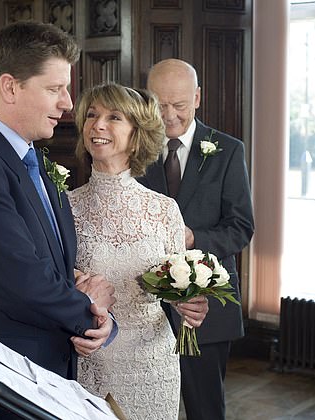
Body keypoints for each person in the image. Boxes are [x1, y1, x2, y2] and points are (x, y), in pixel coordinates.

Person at [0, 21, 116, 420]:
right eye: (54, 89)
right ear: (9, 86)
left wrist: (80, 289)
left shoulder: (29, 159)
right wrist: (93, 315)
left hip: (41, 377)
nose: (67, 103)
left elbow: (47, 264)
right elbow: (18, 280)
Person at [69, 82, 209, 419]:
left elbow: (175, 289)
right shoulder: (66, 207)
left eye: (113, 117)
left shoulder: (164, 210)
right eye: (91, 115)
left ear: (137, 135)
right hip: (90, 361)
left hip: (152, 365)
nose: (97, 125)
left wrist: (189, 304)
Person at [138, 58, 255, 420]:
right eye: (159, 104)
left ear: (198, 98)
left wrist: (193, 238)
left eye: (180, 105)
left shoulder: (228, 150)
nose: (169, 115)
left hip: (207, 307)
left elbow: (241, 227)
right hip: (146, 307)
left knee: (205, 408)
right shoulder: (136, 149)